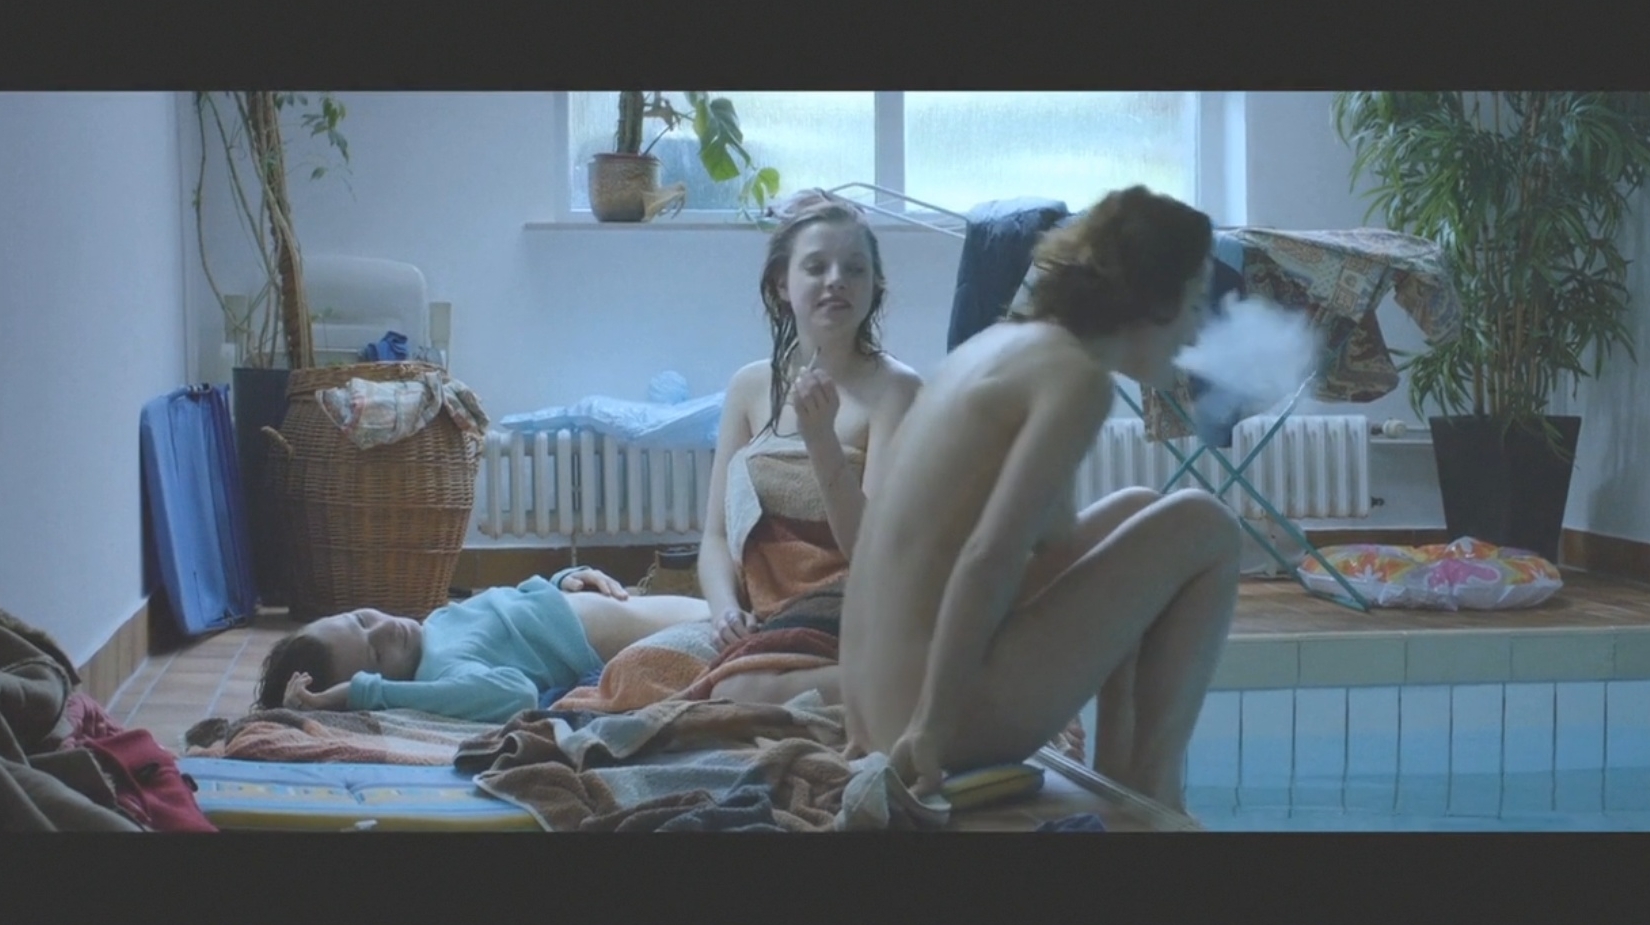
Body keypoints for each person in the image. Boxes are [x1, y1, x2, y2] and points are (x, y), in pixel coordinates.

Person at [839, 185, 1241, 817]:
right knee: (1205, 524)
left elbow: (1037, 535)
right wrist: (932, 728)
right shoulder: (1077, 378)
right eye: (1194, 302)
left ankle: (1120, 775)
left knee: (1137, 506)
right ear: (1154, 300)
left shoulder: (1000, 346)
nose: (1197, 329)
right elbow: (989, 556)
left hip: (872, 706)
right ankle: (1157, 791)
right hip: (926, 725)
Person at [694, 190, 922, 706]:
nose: (836, 280)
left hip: (859, 601)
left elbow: (871, 552)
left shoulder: (898, 390)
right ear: (782, 284)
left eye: (854, 269)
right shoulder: (749, 387)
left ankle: (922, 684)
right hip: (766, 610)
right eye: (817, 267)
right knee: (636, 671)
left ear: (875, 285)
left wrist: (822, 441)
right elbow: (715, 536)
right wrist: (724, 611)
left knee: (734, 691)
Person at [256, 565, 710, 725]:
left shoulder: (434, 626)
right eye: (376, 655)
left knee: (729, 607)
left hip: (610, 604)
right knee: (732, 621)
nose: (386, 629)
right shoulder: (440, 672)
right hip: (640, 634)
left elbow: (507, 613)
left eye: (362, 620)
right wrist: (365, 695)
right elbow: (517, 693)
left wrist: (561, 581)